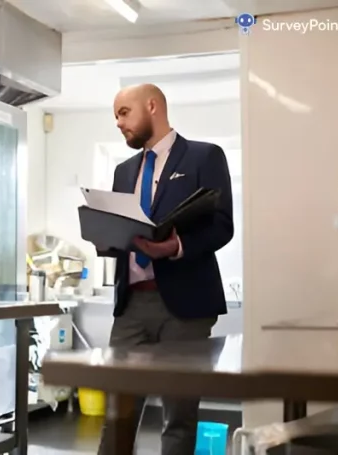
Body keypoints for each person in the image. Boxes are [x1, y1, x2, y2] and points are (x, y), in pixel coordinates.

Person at [96, 84, 233, 455]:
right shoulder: (124, 172)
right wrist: (107, 240)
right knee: (116, 415)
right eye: (116, 115)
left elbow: (222, 225)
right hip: (131, 309)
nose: (118, 122)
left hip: (186, 307)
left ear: (152, 106)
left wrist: (175, 246)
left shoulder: (205, 157)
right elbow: (125, 229)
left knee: (180, 417)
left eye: (124, 112)